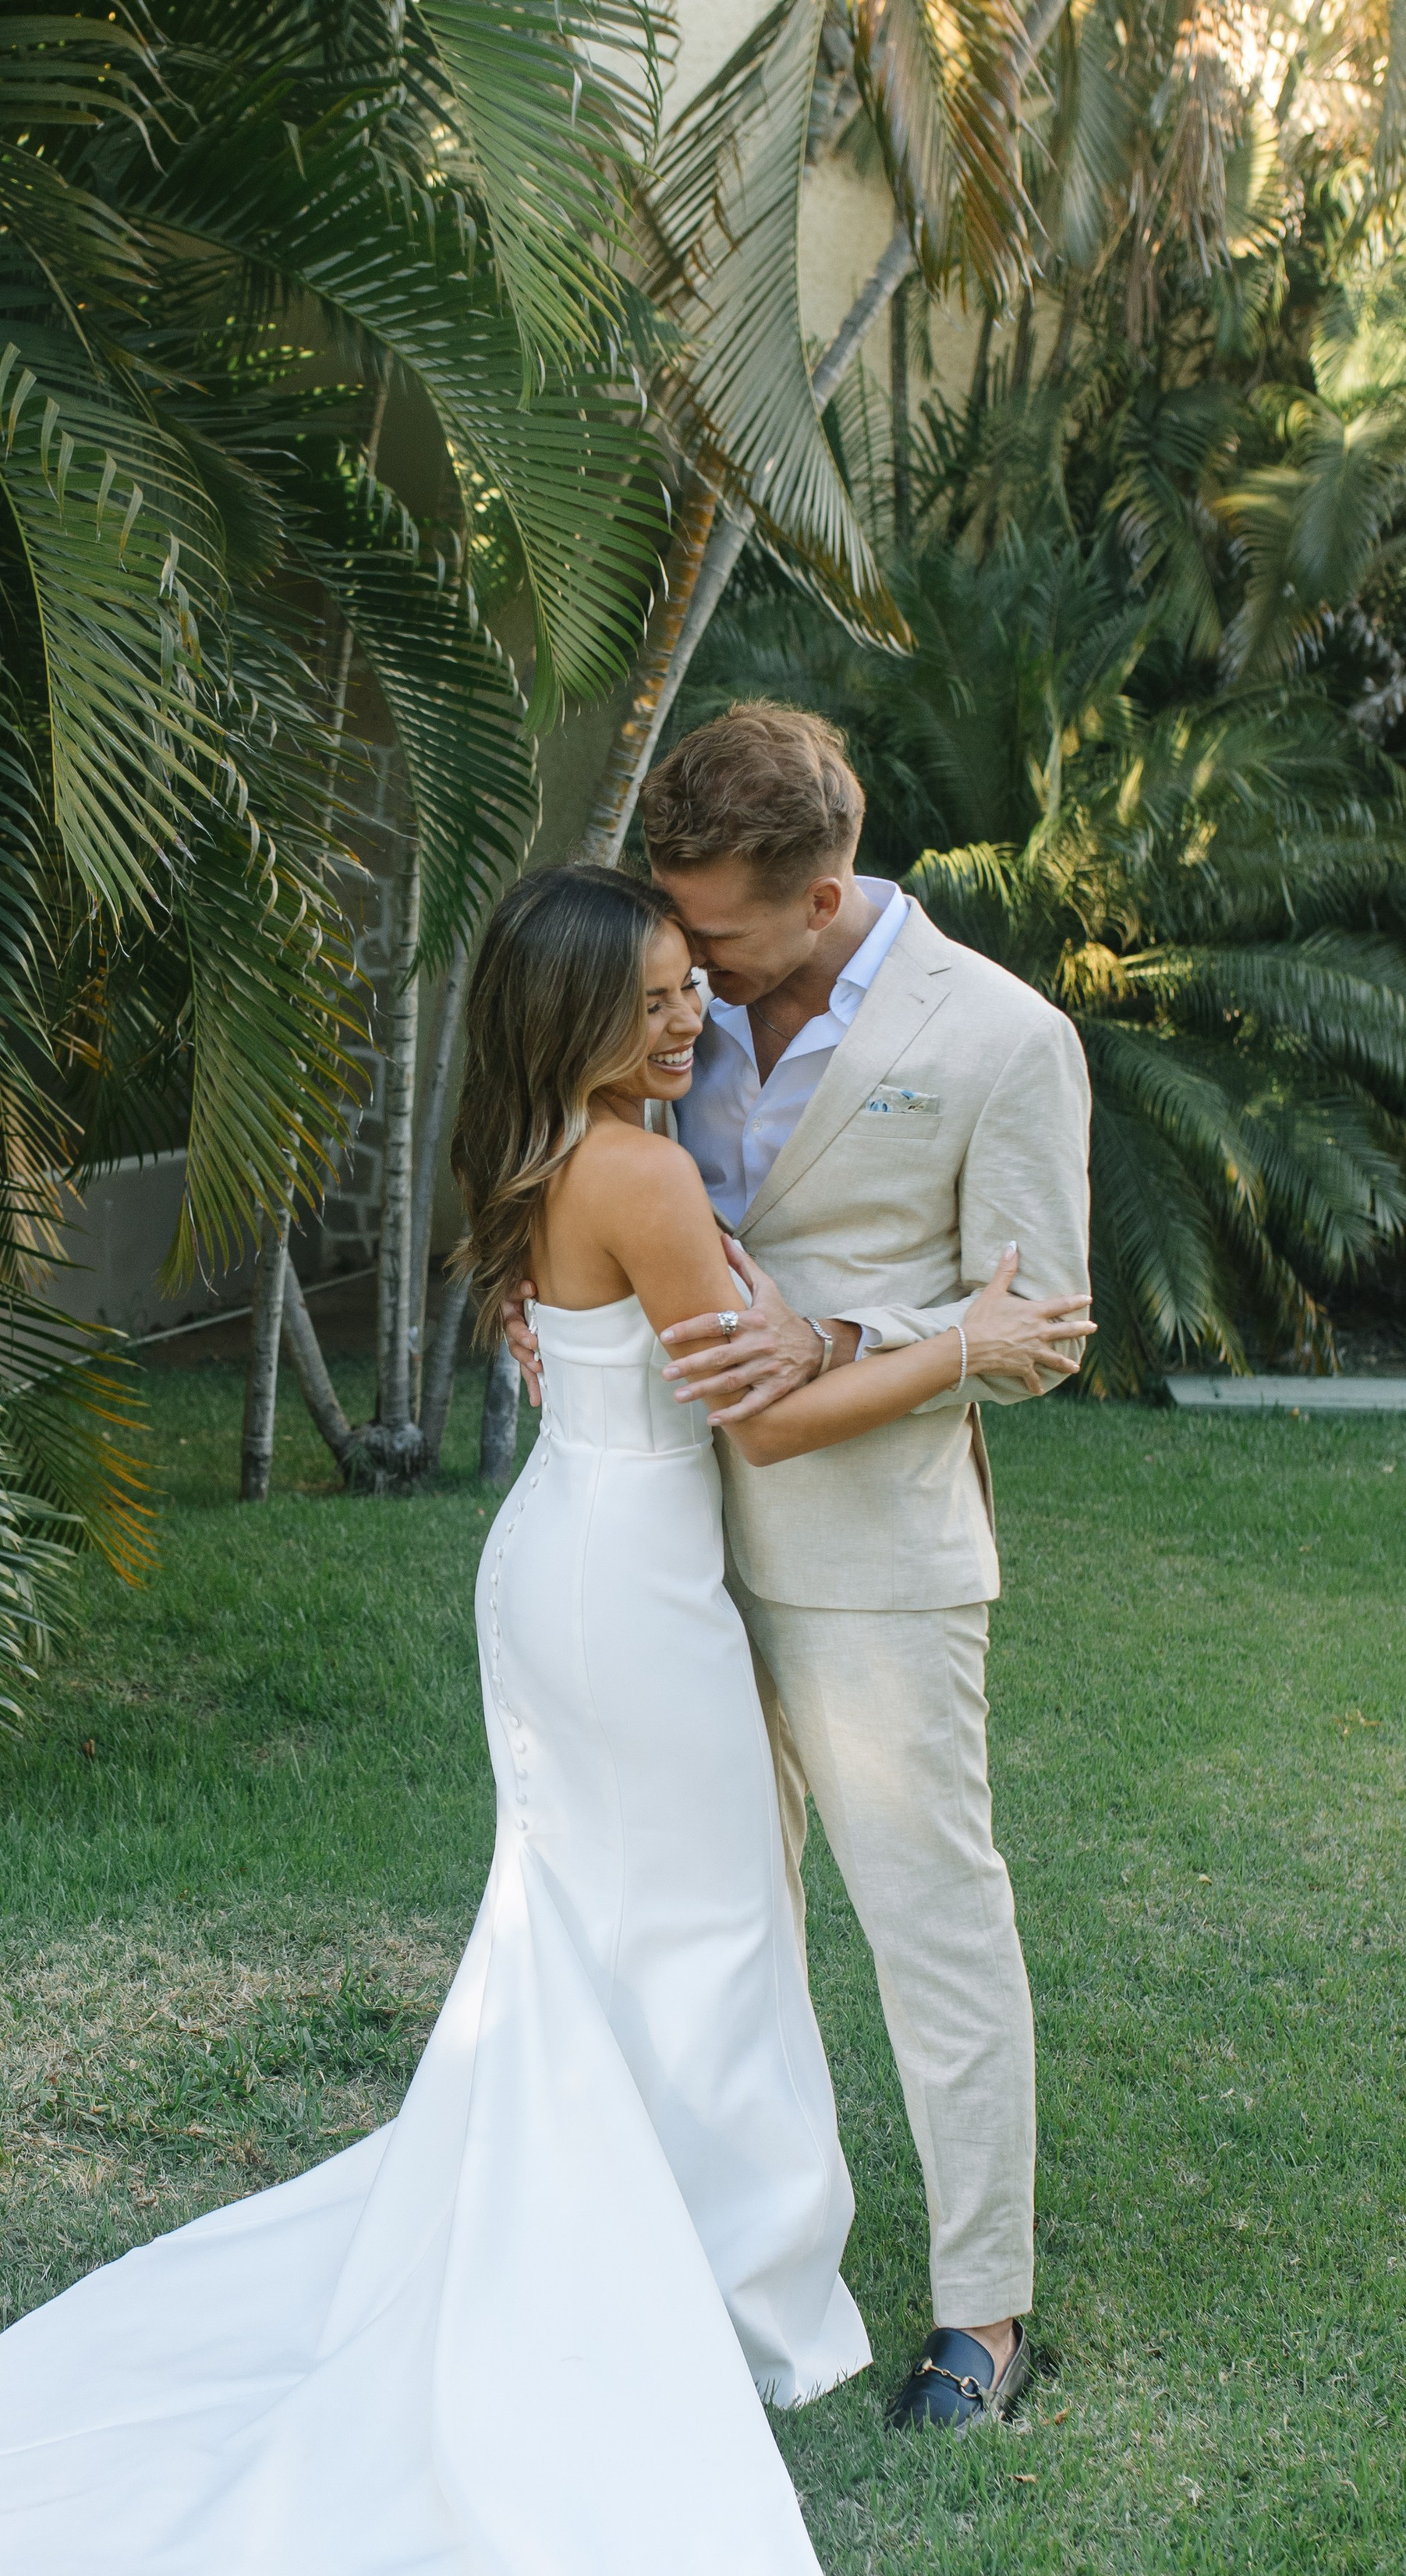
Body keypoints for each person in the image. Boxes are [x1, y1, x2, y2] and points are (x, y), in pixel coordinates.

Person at [0, 866, 1090, 2576]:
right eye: (651, 999)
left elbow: (660, 1365)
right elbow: (769, 1419)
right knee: (698, 1936)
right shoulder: (636, 1171)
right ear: (570, 1020)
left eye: (690, 987)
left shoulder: (551, 1158)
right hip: (627, 1596)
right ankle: (719, 2291)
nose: (687, 1021)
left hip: (574, 1562)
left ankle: (689, 2251)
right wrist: (971, 1342)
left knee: (626, 1934)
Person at [502, 702, 1093, 2431]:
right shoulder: (662, 1012)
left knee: (931, 1926)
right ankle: (697, 2261)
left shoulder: (1003, 1039)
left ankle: (982, 2315)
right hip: (658, 1560)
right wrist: (541, 1314)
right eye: (672, 939)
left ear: (824, 895)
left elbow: (1041, 1326)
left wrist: (837, 1335)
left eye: (718, 940)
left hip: (870, 1559)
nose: (687, 976)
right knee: (707, 1926)